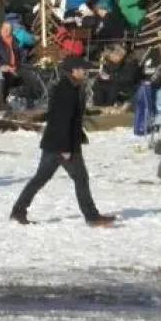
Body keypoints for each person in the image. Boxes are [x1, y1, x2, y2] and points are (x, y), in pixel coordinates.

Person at [10, 57, 114, 225]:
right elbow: (61, 119)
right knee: (80, 178)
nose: (85, 72)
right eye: (82, 69)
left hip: (57, 143)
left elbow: (70, 115)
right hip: (63, 144)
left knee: (41, 178)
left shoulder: (71, 87)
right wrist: (65, 147)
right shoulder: (66, 89)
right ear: (73, 71)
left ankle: (18, 210)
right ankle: (92, 217)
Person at [92, 44, 141, 108]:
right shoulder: (112, 62)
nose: (111, 58)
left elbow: (129, 78)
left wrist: (110, 77)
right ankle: (98, 106)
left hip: (127, 86)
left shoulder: (130, 62)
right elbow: (108, 72)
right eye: (110, 57)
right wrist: (102, 76)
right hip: (114, 81)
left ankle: (108, 106)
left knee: (113, 85)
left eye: (112, 56)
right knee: (98, 83)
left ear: (118, 54)